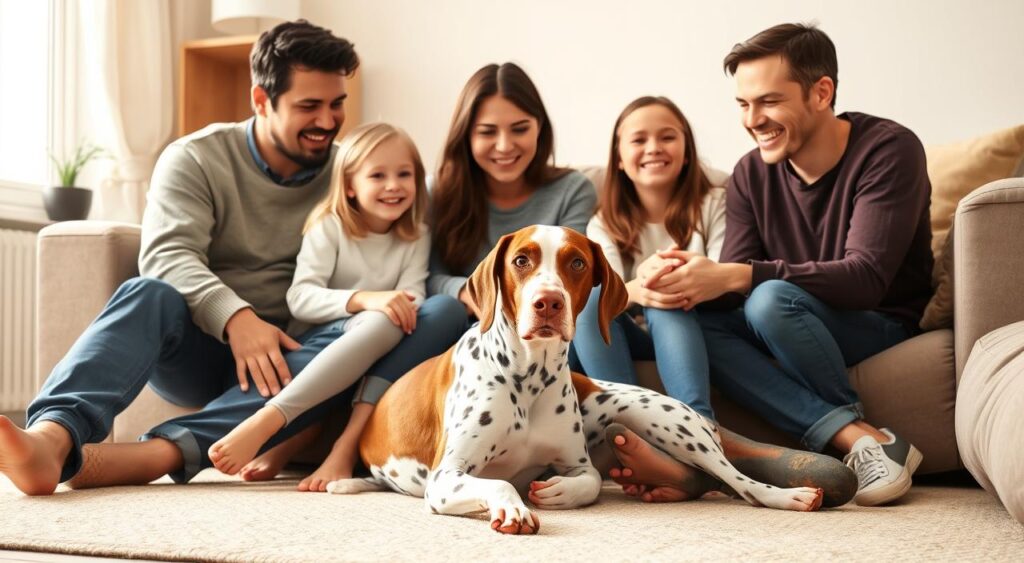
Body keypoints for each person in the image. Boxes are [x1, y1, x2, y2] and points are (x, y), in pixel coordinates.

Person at [0, 20, 461, 495]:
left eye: (336, 103)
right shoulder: (197, 158)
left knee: (373, 334)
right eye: (309, 106)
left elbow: (414, 227)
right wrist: (235, 318)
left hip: (299, 354)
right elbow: (166, 254)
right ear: (261, 101)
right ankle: (51, 438)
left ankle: (163, 452)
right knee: (146, 292)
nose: (327, 120)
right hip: (202, 348)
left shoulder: (357, 172)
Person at [634, 23, 932, 507]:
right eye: (742, 104)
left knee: (769, 299)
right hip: (785, 315)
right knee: (695, 316)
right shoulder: (750, 173)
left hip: (878, 321)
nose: (753, 119)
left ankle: (848, 430)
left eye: (768, 101)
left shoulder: (888, 150)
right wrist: (685, 275)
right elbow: (732, 289)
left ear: (821, 92)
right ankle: (861, 439)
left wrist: (741, 275)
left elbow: (866, 280)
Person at [208, 123, 460, 492]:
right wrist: (365, 300)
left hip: (381, 340)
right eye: (378, 175)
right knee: (382, 321)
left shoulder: (415, 234)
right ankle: (273, 420)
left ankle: (303, 438)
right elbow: (301, 298)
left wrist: (390, 307)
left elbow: (412, 296)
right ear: (350, 186)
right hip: (320, 338)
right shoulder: (330, 226)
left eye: (404, 174)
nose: (394, 185)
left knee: (401, 322)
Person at [572, 96, 724, 421]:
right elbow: (606, 291)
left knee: (665, 298)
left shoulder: (715, 203)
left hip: (698, 325)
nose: (654, 147)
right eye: (639, 140)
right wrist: (642, 287)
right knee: (590, 299)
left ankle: (700, 425)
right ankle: (625, 426)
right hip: (636, 333)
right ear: (620, 159)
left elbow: (722, 273)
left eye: (667, 137)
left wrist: (666, 282)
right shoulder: (603, 222)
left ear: (687, 152)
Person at [428, 62, 596, 318]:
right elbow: (427, 277)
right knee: (442, 311)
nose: (505, 146)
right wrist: (470, 293)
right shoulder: (438, 191)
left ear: (539, 127)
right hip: (463, 322)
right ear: (466, 136)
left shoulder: (573, 190)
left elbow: (577, 273)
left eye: (520, 129)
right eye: (487, 132)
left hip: (543, 321)